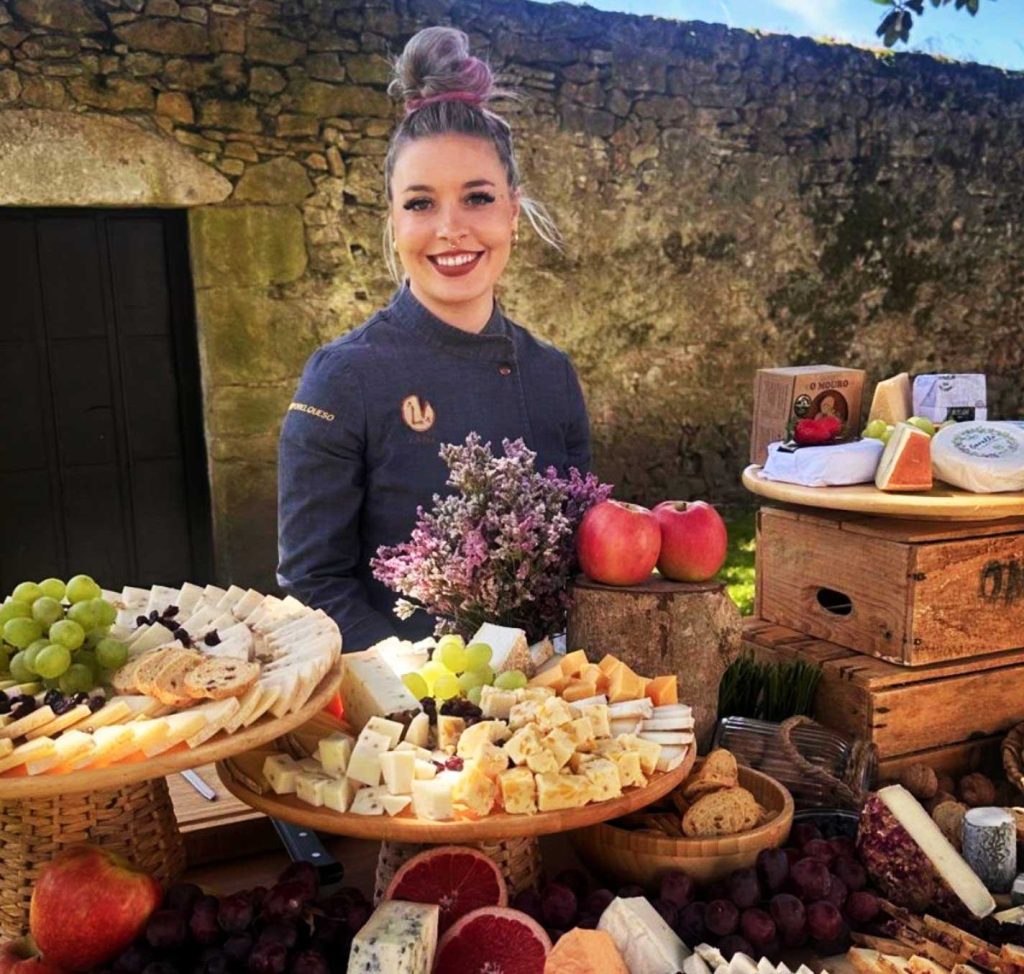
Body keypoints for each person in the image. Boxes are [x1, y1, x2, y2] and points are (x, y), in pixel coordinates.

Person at [277, 26, 592, 652]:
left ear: (511, 211)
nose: (451, 230)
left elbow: (582, 567)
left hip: (556, 713)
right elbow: (315, 583)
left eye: (477, 198)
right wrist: (429, 688)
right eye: (421, 204)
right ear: (393, 220)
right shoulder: (343, 377)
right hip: (408, 725)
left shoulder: (553, 376)